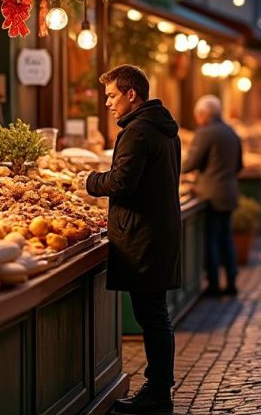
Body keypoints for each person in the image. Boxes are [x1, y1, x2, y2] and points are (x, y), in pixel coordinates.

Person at [82, 65, 180, 414]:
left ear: (131, 94)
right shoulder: (163, 127)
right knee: (155, 314)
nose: (107, 103)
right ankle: (159, 388)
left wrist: (89, 181)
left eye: (111, 96)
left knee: (151, 315)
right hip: (156, 231)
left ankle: (157, 393)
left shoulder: (138, 131)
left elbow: (122, 182)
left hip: (143, 234)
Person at [183, 95, 243, 297]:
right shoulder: (231, 132)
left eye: (197, 115)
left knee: (211, 239)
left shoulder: (205, 132)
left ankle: (214, 284)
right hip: (229, 192)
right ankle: (232, 280)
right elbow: (239, 166)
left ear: (204, 114)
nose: (197, 119)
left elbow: (191, 163)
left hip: (210, 195)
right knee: (226, 238)